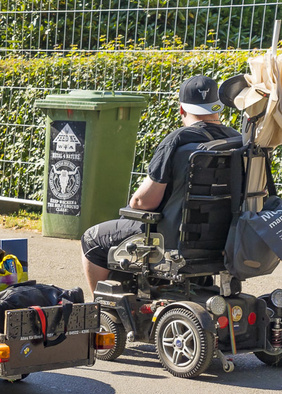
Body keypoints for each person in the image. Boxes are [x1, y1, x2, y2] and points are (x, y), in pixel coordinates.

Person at [81, 75, 240, 294]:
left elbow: (142, 202)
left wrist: (134, 205)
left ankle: (101, 310)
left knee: (92, 239)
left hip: (173, 238)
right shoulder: (239, 142)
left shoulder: (178, 140)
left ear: (182, 110)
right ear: (218, 109)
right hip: (225, 241)